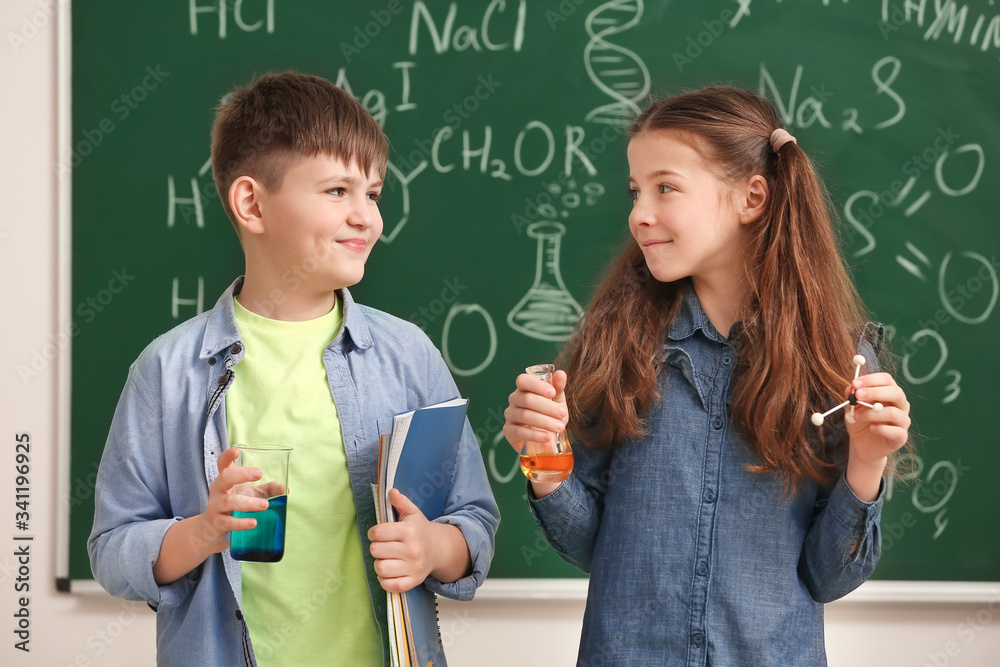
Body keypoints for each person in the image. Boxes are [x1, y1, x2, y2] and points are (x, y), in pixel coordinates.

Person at [89, 71, 499, 666]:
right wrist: (203, 531)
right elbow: (112, 549)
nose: (367, 217)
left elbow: (473, 521)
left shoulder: (409, 356)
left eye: (374, 193)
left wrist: (433, 546)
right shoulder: (166, 371)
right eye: (337, 191)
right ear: (252, 204)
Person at [503, 86, 911, 666]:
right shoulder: (617, 344)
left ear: (752, 197)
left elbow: (829, 577)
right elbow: (595, 544)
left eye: (665, 187)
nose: (639, 213)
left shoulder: (835, 362)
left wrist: (866, 463)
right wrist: (541, 457)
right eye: (635, 191)